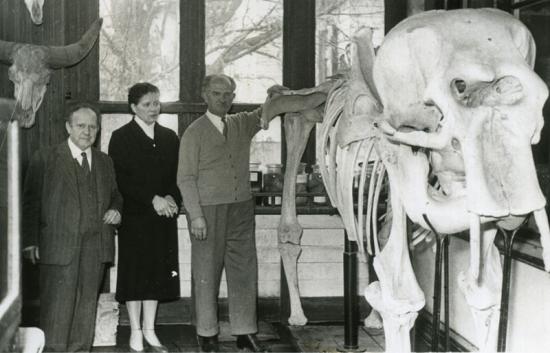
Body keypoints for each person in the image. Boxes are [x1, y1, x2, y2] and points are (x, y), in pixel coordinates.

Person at [177, 74, 277, 353]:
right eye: (217, 94)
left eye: (228, 94)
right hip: (207, 211)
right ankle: (207, 334)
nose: (223, 99)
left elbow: (266, 113)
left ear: (233, 98)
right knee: (206, 270)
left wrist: (273, 96)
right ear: (205, 96)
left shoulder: (241, 123)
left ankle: (245, 332)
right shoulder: (194, 132)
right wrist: (195, 215)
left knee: (244, 269)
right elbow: (185, 178)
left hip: (242, 208)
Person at [23, 102, 123, 352]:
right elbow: (30, 203)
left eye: (92, 127)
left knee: (85, 311)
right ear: (68, 127)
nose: (87, 132)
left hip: (95, 248)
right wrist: (29, 241)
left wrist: (116, 209)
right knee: (56, 312)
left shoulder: (105, 162)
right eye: (81, 126)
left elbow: (116, 195)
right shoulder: (45, 158)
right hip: (57, 248)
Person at [108, 82, 181, 352]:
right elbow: (121, 181)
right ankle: (135, 331)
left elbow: (177, 176)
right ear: (133, 107)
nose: (154, 108)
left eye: (157, 103)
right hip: (135, 218)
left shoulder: (170, 137)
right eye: (147, 104)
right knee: (136, 275)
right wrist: (153, 198)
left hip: (163, 218)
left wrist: (172, 198)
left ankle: (150, 330)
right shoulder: (121, 137)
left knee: (156, 275)